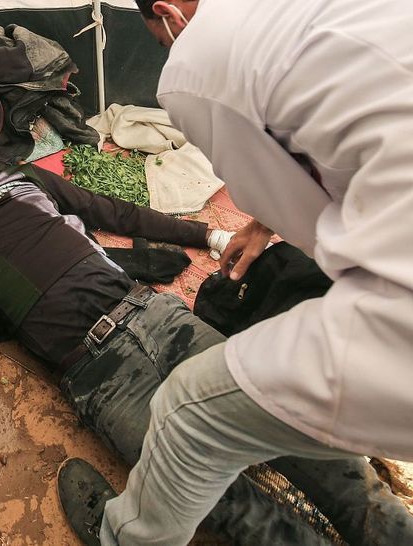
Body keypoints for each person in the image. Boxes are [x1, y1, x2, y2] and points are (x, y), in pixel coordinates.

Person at [0, 122, 401, 545]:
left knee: (288, 417)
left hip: (156, 315)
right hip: (97, 376)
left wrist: (209, 234)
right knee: (209, 498)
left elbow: (112, 212)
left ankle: (386, 527)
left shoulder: (25, 177)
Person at [60, 1, 413, 545]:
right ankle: (384, 526)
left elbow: (299, 201)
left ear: (166, 13)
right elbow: (320, 146)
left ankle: (125, 538)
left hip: (398, 305)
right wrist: (263, 223)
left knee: (187, 410)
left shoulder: (191, 70)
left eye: (160, 40)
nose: (168, 50)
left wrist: (261, 215)